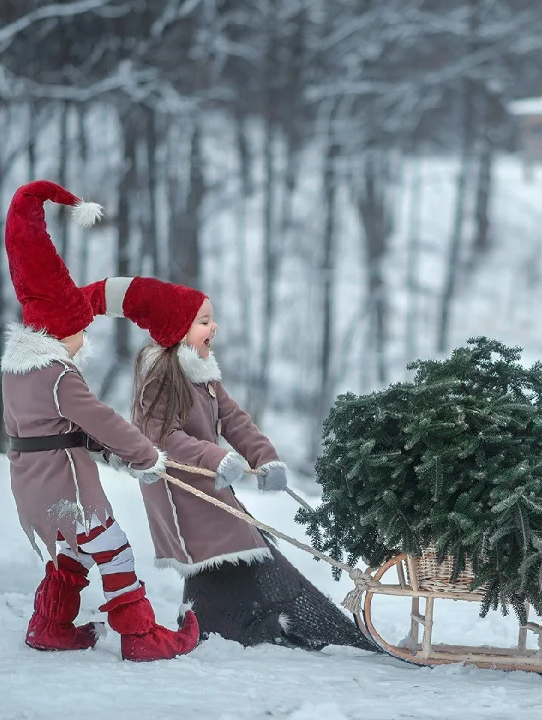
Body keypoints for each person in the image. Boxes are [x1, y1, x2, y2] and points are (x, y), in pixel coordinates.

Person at [83, 275, 375, 652]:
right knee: (221, 547)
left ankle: (223, 616)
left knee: (239, 542)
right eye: (204, 320)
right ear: (178, 330)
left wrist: (264, 458)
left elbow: (235, 419)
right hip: (179, 491)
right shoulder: (160, 380)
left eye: (211, 319)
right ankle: (221, 621)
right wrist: (217, 457)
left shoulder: (204, 375)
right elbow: (162, 439)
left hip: (210, 484)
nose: (213, 327)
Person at [0, 181, 199, 662]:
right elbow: (100, 418)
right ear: (61, 330)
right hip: (64, 486)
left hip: (31, 488)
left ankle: (50, 625)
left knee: (72, 552)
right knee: (113, 548)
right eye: (78, 330)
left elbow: (57, 426)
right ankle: (141, 636)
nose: (82, 337)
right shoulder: (59, 373)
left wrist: (107, 449)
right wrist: (145, 455)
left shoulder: (17, 370)